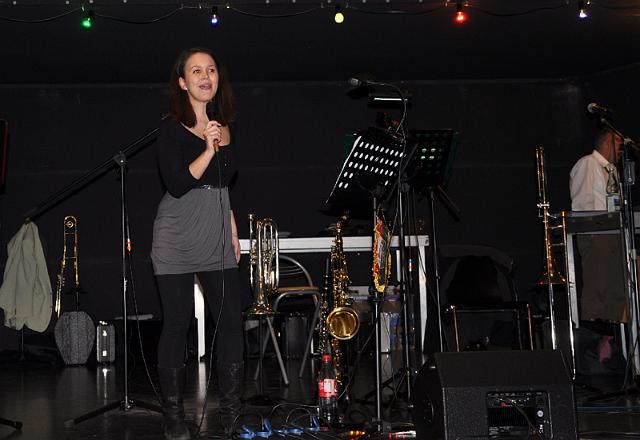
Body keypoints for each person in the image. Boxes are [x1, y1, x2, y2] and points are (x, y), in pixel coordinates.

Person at [151, 47, 244, 440]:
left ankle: (233, 413)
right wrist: (208, 149)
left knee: (231, 321)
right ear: (182, 82)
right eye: (196, 71)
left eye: (211, 70)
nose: (206, 77)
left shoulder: (225, 126)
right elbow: (177, 183)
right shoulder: (170, 128)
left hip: (216, 230)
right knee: (178, 322)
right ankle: (173, 416)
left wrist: (232, 226)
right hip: (176, 232)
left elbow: (222, 183)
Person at [569, 126, 627, 323]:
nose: (621, 149)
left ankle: (613, 333)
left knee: (617, 290)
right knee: (598, 288)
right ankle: (595, 333)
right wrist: (593, 232)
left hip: (613, 233)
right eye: (618, 143)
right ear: (606, 143)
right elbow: (582, 203)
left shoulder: (612, 170)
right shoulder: (588, 163)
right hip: (597, 234)